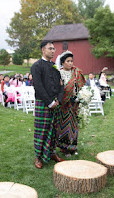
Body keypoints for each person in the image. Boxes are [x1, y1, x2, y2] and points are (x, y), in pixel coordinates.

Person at [31, 40, 65, 169]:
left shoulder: (55, 67)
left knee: (54, 130)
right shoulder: (36, 66)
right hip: (43, 103)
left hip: (56, 103)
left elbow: (62, 85)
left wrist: (58, 100)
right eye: (50, 48)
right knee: (42, 130)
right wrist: (50, 102)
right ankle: (38, 157)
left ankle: (51, 153)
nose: (53, 50)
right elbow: (38, 87)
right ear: (43, 50)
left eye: (54, 49)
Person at [55, 51, 86, 156]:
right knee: (64, 125)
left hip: (74, 103)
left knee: (73, 126)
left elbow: (81, 86)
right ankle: (64, 148)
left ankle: (73, 147)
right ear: (62, 62)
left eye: (71, 61)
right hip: (63, 104)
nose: (70, 63)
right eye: (68, 61)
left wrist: (82, 96)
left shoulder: (77, 72)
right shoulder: (58, 73)